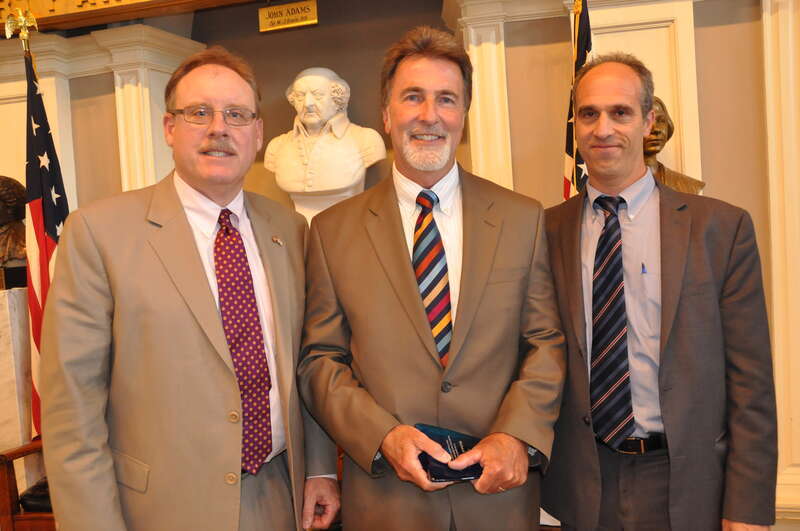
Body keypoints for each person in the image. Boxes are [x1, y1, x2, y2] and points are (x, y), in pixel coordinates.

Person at [40, 46, 339, 531]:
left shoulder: (288, 228)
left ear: (258, 134)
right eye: (199, 112)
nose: (219, 128)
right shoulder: (99, 233)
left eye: (237, 115)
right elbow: (71, 411)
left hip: (279, 495)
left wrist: (321, 467)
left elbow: (306, 362)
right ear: (169, 128)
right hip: (159, 510)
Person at [297, 26, 565, 530]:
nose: (429, 116)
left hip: (497, 501)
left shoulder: (522, 218)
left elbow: (545, 343)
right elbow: (321, 360)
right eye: (412, 97)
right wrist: (382, 436)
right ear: (386, 112)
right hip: (386, 502)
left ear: (464, 114)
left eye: (447, 99)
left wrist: (516, 436)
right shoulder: (332, 231)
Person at [541, 52, 777, 530]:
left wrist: (747, 508)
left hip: (688, 485)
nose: (602, 128)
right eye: (588, 114)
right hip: (583, 487)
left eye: (620, 112)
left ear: (648, 121)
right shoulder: (543, 231)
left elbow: (751, 382)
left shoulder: (720, 228)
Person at [265, 67, 386, 222]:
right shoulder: (277, 146)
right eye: (300, 96)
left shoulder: (366, 139)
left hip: (349, 229)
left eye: (318, 95)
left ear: (337, 99)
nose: (308, 103)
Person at [643, 96, 705, 195]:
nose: (656, 129)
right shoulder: (613, 186)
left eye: (661, 121)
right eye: (646, 122)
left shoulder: (689, 187)